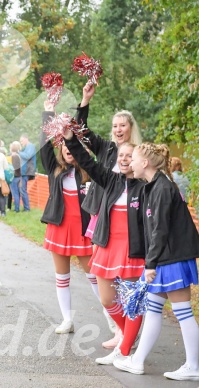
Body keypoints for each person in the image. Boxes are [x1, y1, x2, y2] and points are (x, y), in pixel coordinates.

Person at [113, 143, 199, 381]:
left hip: (172, 259)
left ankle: (194, 366)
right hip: (164, 259)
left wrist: (150, 265)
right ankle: (137, 361)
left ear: (145, 163)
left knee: (183, 313)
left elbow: (159, 230)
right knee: (152, 309)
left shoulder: (162, 188)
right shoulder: (151, 187)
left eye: (134, 159)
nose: (130, 163)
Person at [63, 130, 145, 365]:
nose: (124, 159)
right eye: (121, 155)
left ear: (137, 160)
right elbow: (87, 160)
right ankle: (126, 335)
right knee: (107, 299)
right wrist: (70, 139)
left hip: (133, 249)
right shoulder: (110, 178)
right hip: (108, 244)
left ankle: (125, 350)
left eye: (129, 155)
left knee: (132, 302)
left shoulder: (145, 186)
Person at [77, 83, 143, 344]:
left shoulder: (139, 153)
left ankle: (128, 329)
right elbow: (81, 133)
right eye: (115, 126)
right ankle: (119, 327)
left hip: (127, 219)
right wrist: (85, 100)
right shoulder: (105, 149)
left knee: (124, 274)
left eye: (122, 126)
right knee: (103, 271)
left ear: (130, 128)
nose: (118, 130)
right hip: (102, 214)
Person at [40, 102, 96, 334]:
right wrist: (48, 113)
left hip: (84, 231)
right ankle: (67, 320)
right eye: (66, 149)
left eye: (73, 149)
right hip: (60, 229)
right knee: (62, 277)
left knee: (95, 277)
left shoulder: (90, 171)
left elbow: (81, 131)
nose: (69, 152)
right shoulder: (54, 168)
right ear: (61, 149)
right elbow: (44, 147)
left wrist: (83, 108)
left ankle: (113, 318)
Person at [18, 133, 36, 212]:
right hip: (24, 171)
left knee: (23, 189)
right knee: (22, 189)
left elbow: (27, 156)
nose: (21, 143)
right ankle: (25, 207)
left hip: (27, 171)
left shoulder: (30, 146)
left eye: (21, 141)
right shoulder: (26, 147)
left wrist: (18, 152)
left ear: (26, 139)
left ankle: (27, 208)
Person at [9, 141, 23, 212]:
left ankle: (16, 209)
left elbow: (13, 168)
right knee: (17, 193)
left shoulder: (13, 156)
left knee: (15, 193)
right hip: (18, 176)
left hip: (14, 177)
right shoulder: (18, 156)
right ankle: (17, 207)